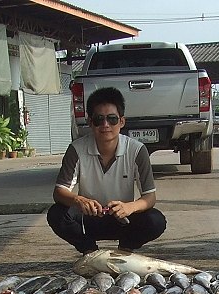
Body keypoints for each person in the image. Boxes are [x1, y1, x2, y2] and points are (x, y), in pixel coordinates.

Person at [47, 87, 166, 254]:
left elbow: (150, 197)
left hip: (123, 220)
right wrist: (79, 200)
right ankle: (91, 253)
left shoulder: (137, 150)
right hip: (88, 220)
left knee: (156, 220)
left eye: (112, 119)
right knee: (56, 214)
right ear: (90, 122)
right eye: (98, 119)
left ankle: (125, 248)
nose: (105, 125)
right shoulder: (76, 149)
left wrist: (129, 207)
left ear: (122, 122)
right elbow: (59, 192)